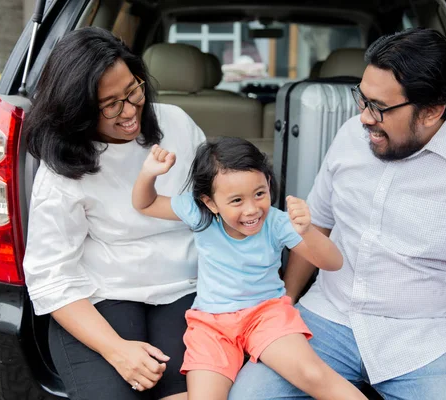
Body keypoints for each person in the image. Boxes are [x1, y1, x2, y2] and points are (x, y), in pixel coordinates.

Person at [229, 27, 446, 400]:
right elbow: (319, 224)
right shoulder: (351, 133)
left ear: (431, 111)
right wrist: (285, 303)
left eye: (378, 108)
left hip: (428, 341)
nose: (364, 118)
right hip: (325, 320)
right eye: (361, 100)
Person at [22, 27, 205, 400]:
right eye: (110, 105)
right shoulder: (62, 170)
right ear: (77, 110)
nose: (130, 111)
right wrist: (116, 349)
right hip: (101, 296)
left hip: (185, 286)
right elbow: (51, 277)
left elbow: (214, 204)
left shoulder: (176, 124)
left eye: (133, 91)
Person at [131, 137, 368, 400]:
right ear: (210, 203)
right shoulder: (199, 213)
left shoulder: (277, 223)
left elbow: (333, 263)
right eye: (236, 201)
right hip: (212, 324)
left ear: (268, 182)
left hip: (265, 315)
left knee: (312, 374)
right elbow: (145, 203)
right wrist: (148, 173)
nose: (252, 209)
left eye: (259, 193)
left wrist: (308, 231)